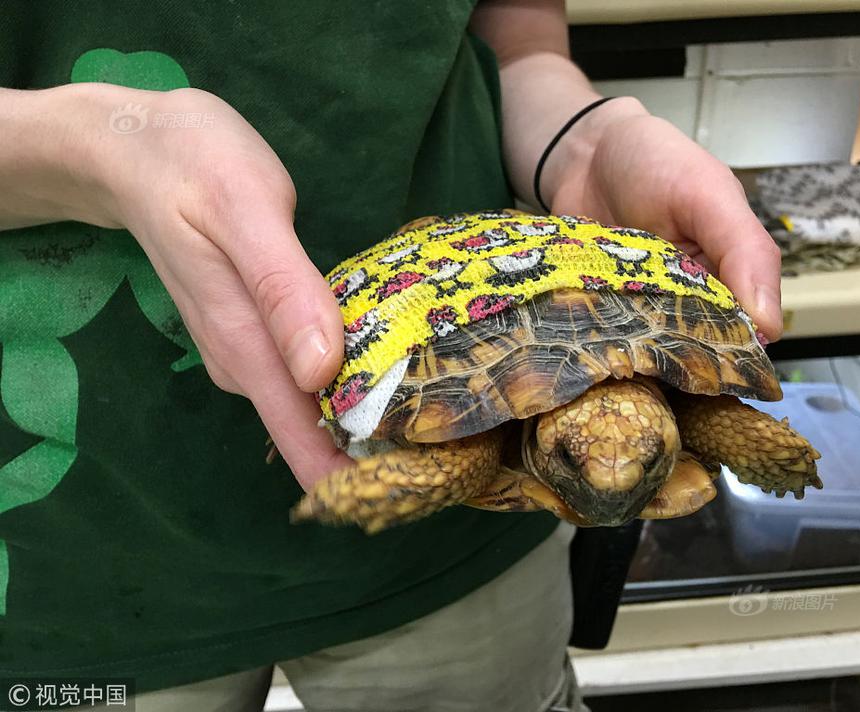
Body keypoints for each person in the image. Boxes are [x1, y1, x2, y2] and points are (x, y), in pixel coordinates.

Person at [0, 1, 782, 710]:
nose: (610, 487)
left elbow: (517, 41)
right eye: (580, 463)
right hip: (78, 543)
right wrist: (96, 148)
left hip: (448, 564)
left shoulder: (577, 452)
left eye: (646, 463)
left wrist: (583, 137)